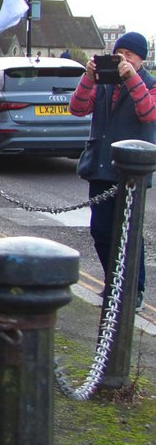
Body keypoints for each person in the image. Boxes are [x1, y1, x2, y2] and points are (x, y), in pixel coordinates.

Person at [71, 30, 155, 305]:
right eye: (120, 54)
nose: (123, 60)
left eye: (129, 56)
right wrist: (88, 77)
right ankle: (113, 283)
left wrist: (131, 79)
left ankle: (134, 289)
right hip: (101, 165)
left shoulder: (149, 84)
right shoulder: (104, 83)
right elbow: (78, 108)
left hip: (132, 172)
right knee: (101, 230)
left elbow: (147, 112)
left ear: (140, 59)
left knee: (129, 232)